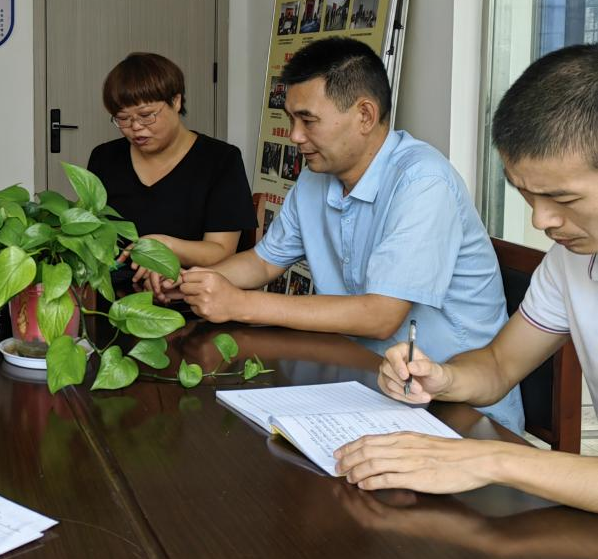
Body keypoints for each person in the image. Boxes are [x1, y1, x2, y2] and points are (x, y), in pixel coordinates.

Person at [175, 37, 523, 431]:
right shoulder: (315, 179)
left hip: (457, 409)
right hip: (364, 383)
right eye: (291, 120)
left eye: (308, 121)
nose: (294, 136)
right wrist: (192, 282)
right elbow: (262, 262)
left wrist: (240, 304)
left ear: (365, 115)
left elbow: (380, 316)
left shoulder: (423, 181)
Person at [337, 44, 598, 508]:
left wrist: (489, 460)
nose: (541, 220)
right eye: (526, 194)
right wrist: (443, 378)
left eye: (563, 199)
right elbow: (500, 364)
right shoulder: (570, 260)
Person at [86, 53, 255, 296]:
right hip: (113, 294)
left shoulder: (220, 160)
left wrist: (163, 246)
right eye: (123, 118)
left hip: (188, 291)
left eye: (146, 115)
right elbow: (91, 235)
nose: (135, 127)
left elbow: (221, 250)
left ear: (176, 101)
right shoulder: (104, 158)